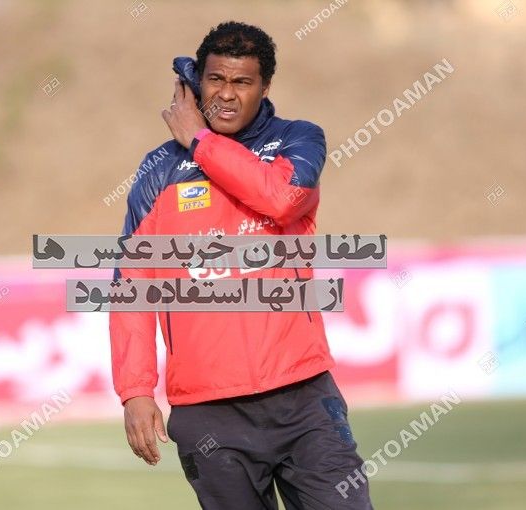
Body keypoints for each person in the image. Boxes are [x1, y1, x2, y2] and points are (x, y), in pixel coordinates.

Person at [109, 21, 374, 509]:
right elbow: (132, 284)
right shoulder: (158, 170)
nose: (226, 94)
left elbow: (283, 198)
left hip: (303, 399)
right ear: (197, 84)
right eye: (215, 79)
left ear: (265, 87)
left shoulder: (299, 140)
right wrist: (135, 390)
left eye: (242, 82)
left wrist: (200, 141)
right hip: (208, 413)